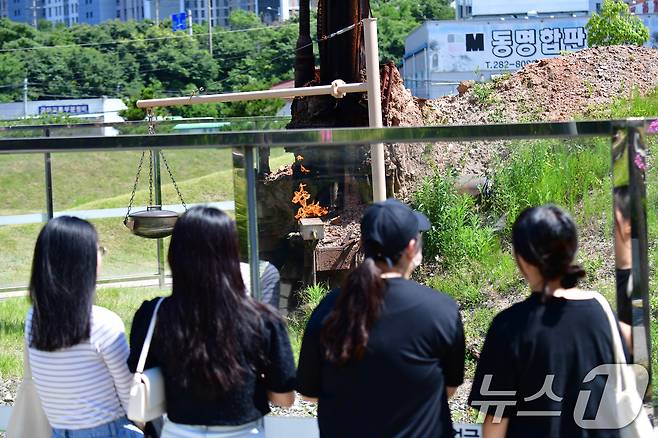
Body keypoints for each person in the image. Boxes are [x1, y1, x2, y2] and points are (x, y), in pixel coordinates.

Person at [296, 199, 465, 438]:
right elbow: (449, 388)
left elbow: (308, 393)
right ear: (411, 249)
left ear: (364, 245)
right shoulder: (440, 310)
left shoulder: (328, 308)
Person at [128, 206, 296, 438]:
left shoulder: (153, 314)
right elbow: (285, 398)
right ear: (231, 254)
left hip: (177, 432)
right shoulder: (262, 319)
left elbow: (139, 376)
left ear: (175, 254)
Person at [468, 204, 629, 438]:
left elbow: (495, 423)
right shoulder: (600, 313)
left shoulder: (508, 327)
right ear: (571, 250)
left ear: (522, 259)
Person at [26, 216, 142, 438]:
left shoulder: (34, 319)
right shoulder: (104, 323)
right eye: (97, 248)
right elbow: (130, 398)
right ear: (81, 260)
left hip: (60, 432)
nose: (101, 254)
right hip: (110, 431)